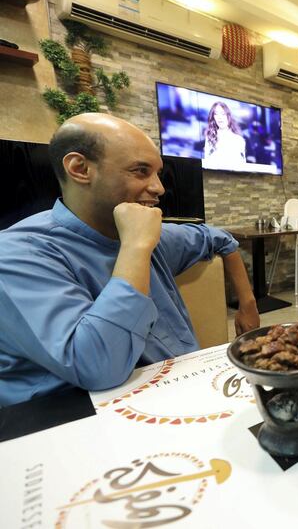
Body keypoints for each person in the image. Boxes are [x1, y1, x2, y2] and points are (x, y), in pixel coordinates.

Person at [0, 113, 260, 407]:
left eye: (157, 173)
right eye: (140, 171)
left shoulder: (154, 235)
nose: (160, 188)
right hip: (75, 422)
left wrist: (247, 303)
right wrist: (136, 247)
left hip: (182, 393)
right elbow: (99, 367)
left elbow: (217, 238)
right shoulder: (17, 254)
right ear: (80, 168)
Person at [203, 101, 246, 169]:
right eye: (216, 114)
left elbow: (242, 164)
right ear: (213, 117)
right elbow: (207, 162)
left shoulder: (238, 139)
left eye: (223, 114)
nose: (219, 117)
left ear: (228, 116)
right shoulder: (210, 137)